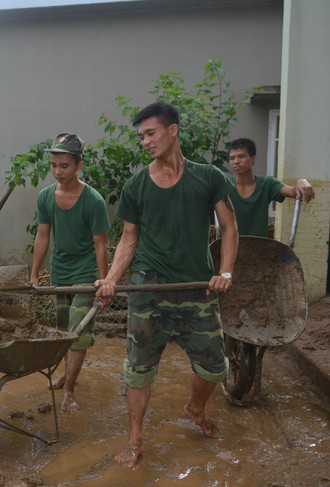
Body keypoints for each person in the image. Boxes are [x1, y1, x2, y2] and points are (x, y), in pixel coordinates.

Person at [94, 101, 238, 469]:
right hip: (149, 286)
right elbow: (128, 240)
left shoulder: (209, 177)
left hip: (196, 286)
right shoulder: (137, 185)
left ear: (173, 130)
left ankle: (195, 408)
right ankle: (135, 437)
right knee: (139, 368)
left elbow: (230, 228)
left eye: (151, 133)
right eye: (140, 136)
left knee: (214, 367)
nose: (145, 141)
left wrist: (225, 273)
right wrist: (111, 280)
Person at [29, 132, 110, 413]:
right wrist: (34, 273)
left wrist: (105, 281)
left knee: (78, 332)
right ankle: (66, 376)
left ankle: (70, 391)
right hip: (59, 272)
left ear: (79, 166)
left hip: (87, 273)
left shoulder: (93, 201)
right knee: (64, 331)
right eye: (53, 165)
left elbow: (101, 245)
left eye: (64, 166)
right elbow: (42, 236)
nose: (58, 171)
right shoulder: (46, 197)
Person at [227, 137, 315, 237]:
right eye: (232, 158)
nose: (236, 161)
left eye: (241, 156)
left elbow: (293, 192)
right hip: (229, 245)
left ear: (253, 158)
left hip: (260, 247)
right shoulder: (225, 185)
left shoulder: (267, 183)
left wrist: (301, 181)